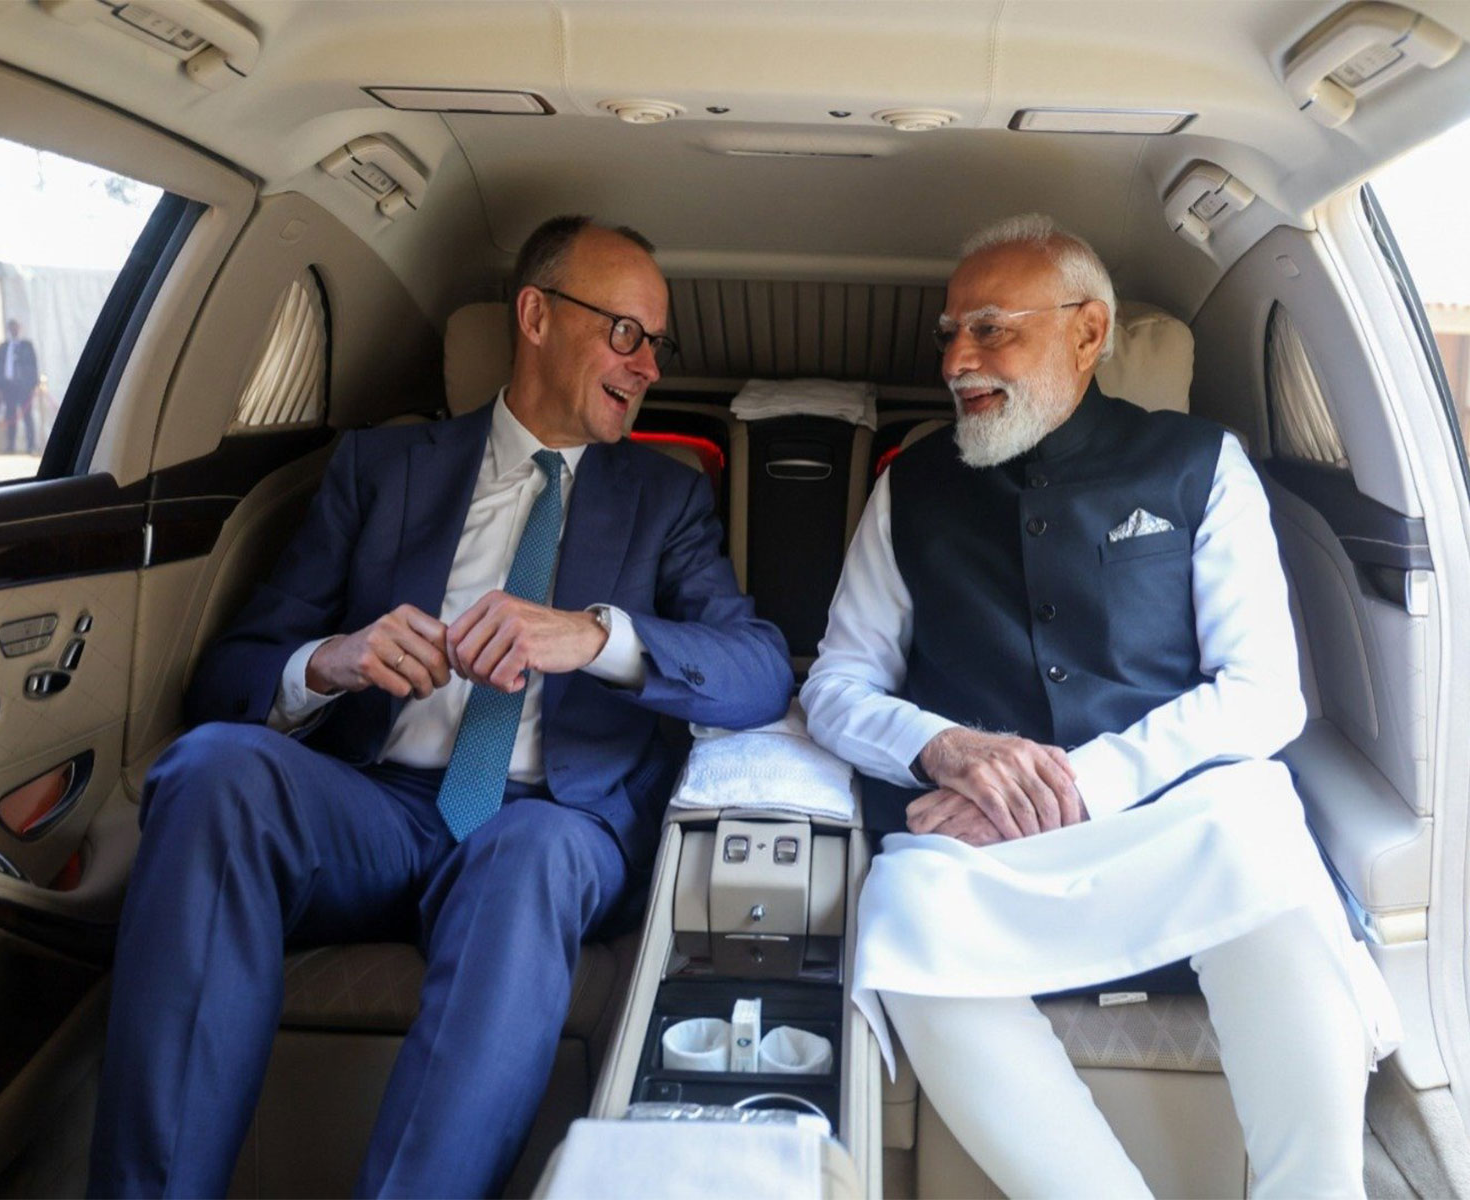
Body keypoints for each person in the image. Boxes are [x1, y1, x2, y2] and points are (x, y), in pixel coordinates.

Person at [88, 215, 793, 1199]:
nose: (645, 367)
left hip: (551, 818)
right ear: (537, 316)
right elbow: (229, 675)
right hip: (371, 803)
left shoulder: (662, 499)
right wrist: (331, 662)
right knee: (211, 769)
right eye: (623, 333)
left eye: (654, 342)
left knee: (527, 853)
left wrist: (593, 635)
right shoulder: (381, 469)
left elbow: (759, 669)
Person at [800, 213, 1398, 1198]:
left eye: (990, 329)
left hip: (1171, 820)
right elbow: (835, 685)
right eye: (950, 332)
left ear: (1087, 332)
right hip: (985, 846)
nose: (957, 358)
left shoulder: (1198, 466)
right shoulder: (910, 492)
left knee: (1260, 835)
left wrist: (1086, 782)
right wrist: (946, 749)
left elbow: (1262, 694)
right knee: (900, 914)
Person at [0, 318, 38, 452]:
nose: (13, 330)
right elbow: (0, 366)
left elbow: (33, 365)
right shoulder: (4, 347)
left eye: (15, 327)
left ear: (19, 328)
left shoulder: (27, 345)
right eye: (11, 327)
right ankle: (10, 445)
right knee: (10, 416)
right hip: (9, 386)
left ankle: (31, 445)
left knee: (27, 415)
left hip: (24, 386)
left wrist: (33, 383)